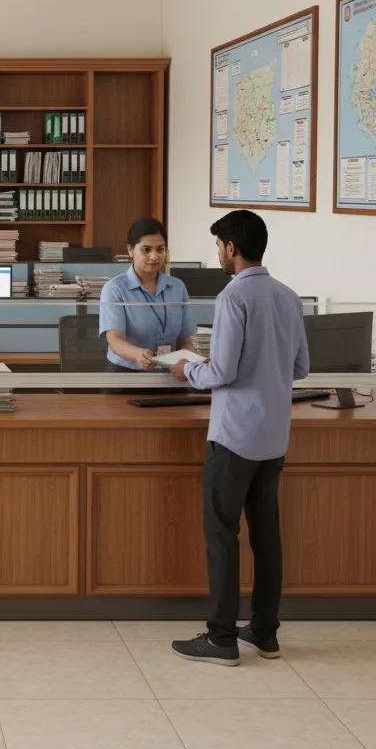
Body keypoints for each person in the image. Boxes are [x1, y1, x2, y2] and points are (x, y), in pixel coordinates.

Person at [170, 210, 309, 666]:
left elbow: (222, 372)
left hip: (234, 437)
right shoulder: (288, 296)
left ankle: (222, 637)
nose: (218, 254)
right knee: (266, 535)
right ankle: (265, 633)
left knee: (221, 533)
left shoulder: (234, 297)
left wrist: (188, 367)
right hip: (273, 436)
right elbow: (299, 368)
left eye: (219, 246)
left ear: (232, 247)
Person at [99, 217, 197, 373]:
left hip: (170, 374)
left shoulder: (177, 287)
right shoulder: (115, 289)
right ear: (131, 250)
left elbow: (184, 339)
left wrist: (187, 359)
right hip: (127, 374)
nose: (155, 256)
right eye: (146, 250)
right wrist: (138, 354)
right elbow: (115, 341)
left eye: (160, 249)